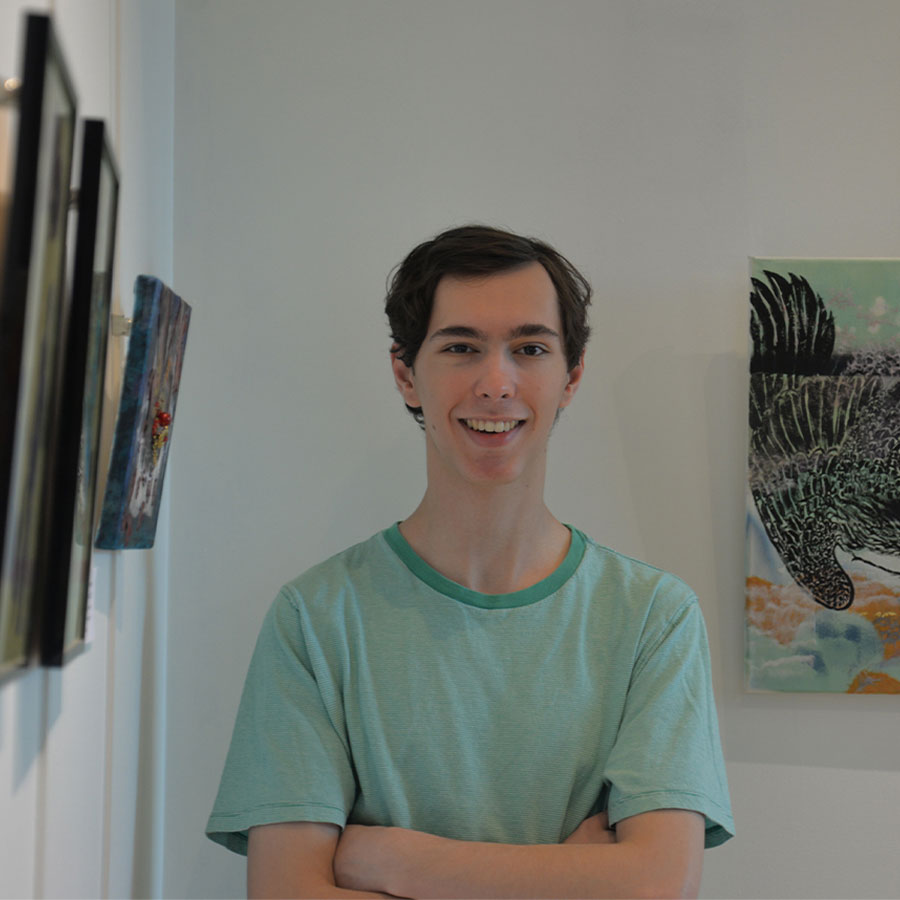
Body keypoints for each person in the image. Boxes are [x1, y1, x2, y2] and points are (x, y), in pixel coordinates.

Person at [206, 225, 734, 898]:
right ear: (406, 374)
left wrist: (389, 860)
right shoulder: (314, 620)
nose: (496, 382)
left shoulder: (654, 619)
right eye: (461, 347)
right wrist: (574, 877)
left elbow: (656, 887)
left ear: (570, 377)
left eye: (529, 348)